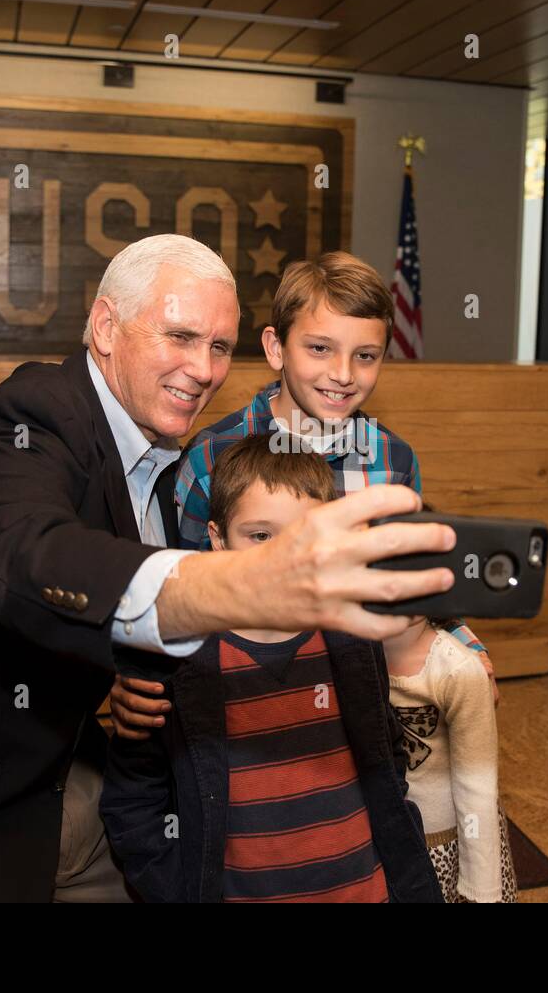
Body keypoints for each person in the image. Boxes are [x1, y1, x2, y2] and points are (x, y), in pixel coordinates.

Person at [0, 234, 455, 901]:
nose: (203, 368)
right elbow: (27, 555)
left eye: (219, 347)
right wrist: (246, 585)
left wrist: (126, 675)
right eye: (180, 336)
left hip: (57, 770)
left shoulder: (161, 456)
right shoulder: (34, 415)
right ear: (106, 328)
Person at [110, 252, 495, 740]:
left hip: (353, 703)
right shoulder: (209, 457)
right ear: (276, 348)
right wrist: (140, 673)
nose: (343, 374)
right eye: (319, 348)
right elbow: (180, 591)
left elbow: (410, 580)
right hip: (239, 702)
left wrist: (460, 642)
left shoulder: (394, 461)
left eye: (365, 355)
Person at [100, 433, 442, 902]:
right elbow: (133, 800)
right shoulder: (176, 658)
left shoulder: (353, 639)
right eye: (260, 536)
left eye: (301, 537)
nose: (284, 558)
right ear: (217, 540)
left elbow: (386, 755)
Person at [384, 610, 517, 903]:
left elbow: (476, 785)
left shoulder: (457, 670)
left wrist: (481, 890)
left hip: (451, 843)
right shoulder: (356, 655)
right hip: (391, 836)